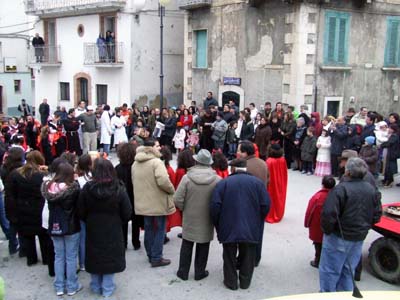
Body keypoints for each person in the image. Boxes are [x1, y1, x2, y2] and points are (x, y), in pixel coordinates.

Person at [319, 157, 382, 292]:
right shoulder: (371, 189)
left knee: (330, 271)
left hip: (339, 237)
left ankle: (327, 295)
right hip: (358, 237)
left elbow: (328, 214)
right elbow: (377, 214)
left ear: (347, 172)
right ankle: (345, 294)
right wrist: (365, 227)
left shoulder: (340, 189)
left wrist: (328, 230)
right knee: (348, 270)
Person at [211, 158, 270, 290]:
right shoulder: (258, 183)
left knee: (229, 255)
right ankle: (245, 281)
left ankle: (231, 281)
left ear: (233, 169)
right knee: (248, 255)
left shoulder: (224, 183)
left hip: (228, 225)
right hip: (250, 225)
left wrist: (218, 224)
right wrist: (258, 219)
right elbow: (266, 204)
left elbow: (215, 206)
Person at [78, 158, 132, 298]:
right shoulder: (118, 189)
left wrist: (90, 219)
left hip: (93, 227)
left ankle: (95, 285)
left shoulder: (87, 189)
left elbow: (81, 211)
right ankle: (107, 287)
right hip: (113, 228)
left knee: (94, 255)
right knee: (110, 256)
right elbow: (127, 212)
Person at [174, 149, 220, 281]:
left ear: (196, 161)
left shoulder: (187, 177)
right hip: (207, 218)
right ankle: (199, 272)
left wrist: (185, 209)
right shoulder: (217, 179)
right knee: (203, 245)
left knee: (187, 244)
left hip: (190, 216)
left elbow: (177, 199)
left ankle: (183, 272)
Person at [132, 139, 175, 267]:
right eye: (157, 146)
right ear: (151, 149)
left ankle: (151, 254)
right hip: (158, 201)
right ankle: (156, 257)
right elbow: (163, 181)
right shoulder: (156, 163)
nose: (159, 148)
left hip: (143, 201)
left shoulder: (135, 163)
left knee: (149, 228)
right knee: (160, 228)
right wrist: (172, 190)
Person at [41, 163, 82, 297]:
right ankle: (71, 286)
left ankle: (59, 286)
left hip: (55, 224)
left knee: (59, 256)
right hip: (71, 226)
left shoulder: (48, 188)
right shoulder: (74, 189)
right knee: (70, 257)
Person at [8, 151, 51, 266]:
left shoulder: (16, 174)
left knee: (28, 236)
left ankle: (31, 259)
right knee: (43, 236)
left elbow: (12, 194)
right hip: (39, 207)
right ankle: (46, 258)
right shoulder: (42, 175)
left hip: (23, 207)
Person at [115, 142, 143, 250]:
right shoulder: (137, 167)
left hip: (122, 198)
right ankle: (136, 242)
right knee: (136, 221)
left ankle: (124, 243)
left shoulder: (117, 168)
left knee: (123, 222)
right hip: (135, 197)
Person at [304, 175, 336, 268]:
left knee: (318, 244)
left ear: (322, 184)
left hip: (317, 225)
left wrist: (307, 223)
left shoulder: (317, 197)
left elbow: (309, 211)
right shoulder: (336, 196)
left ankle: (318, 260)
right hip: (332, 225)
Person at [1, 147, 25, 256]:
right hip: (19, 199)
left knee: (12, 223)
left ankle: (13, 245)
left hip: (8, 198)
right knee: (20, 223)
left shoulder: (4, 168)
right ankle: (21, 246)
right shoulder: (20, 170)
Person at [266, 144, 288, 223]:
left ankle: (271, 215)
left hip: (271, 183)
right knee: (280, 197)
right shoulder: (283, 160)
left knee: (272, 197)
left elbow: (267, 174)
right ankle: (279, 213)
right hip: (281, 182)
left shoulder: (269, 161)